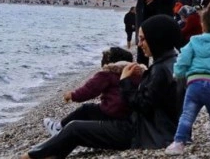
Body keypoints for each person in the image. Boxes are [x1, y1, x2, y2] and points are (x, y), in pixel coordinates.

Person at [21, 16, 183, 159]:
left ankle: (30, 156)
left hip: (142, 133)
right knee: (83, 118)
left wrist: (125, 80)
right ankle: (51, 155)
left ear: (157, 39)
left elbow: (143, 105)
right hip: (155, 130)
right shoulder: (171, 63)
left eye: (142, 39)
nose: (139, 44)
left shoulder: (161, 70)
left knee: (75, 128)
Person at [166, 0, 210, 154]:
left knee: (187, 115)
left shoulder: (194, 41)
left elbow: (183, 60)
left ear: (203, 24)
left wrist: (178, 74)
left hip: (195, 84)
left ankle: (179, 143)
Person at [43, 47, 142, 136]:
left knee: (87, 109)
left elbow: (89, 90)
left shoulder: (107, 74)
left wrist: (72, 95)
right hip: (129, 115)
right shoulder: (136, 74)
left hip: (113, 113)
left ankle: (58, 127)